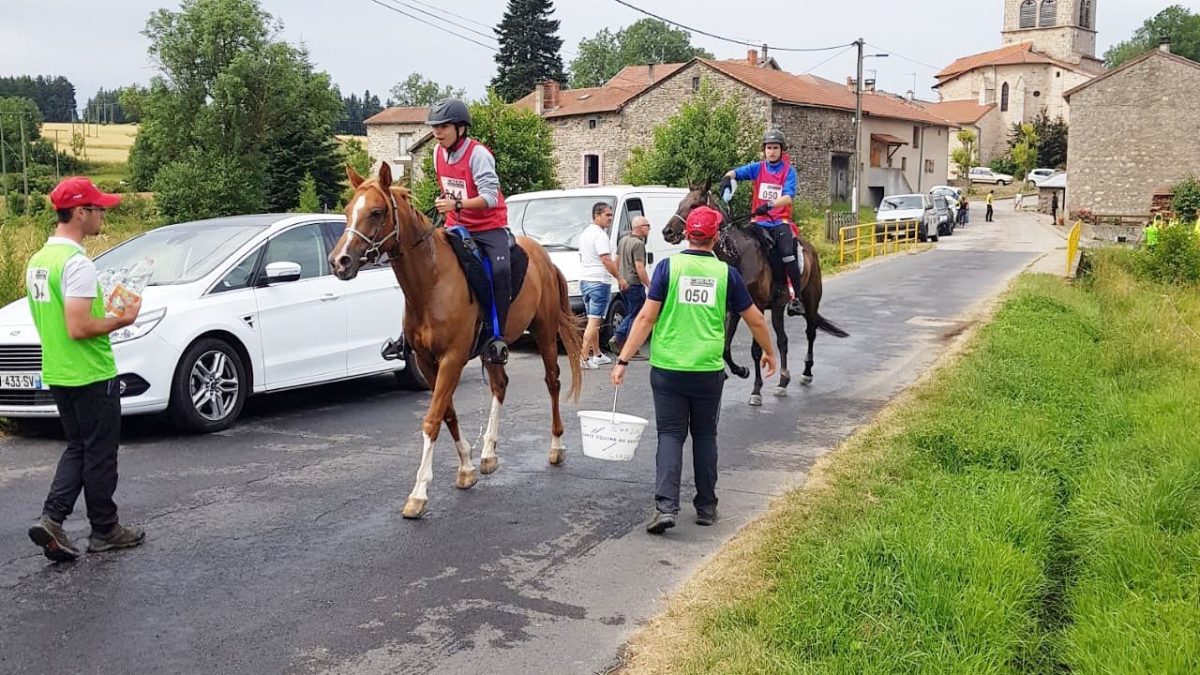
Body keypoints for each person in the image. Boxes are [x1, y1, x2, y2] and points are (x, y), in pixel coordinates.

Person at [611, 206, 777, 534]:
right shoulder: (726, 275)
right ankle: (706, 506)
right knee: (704, 436)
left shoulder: (668, 269)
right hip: (707, 370)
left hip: (668, 368)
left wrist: (623, 360)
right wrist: (770, 353)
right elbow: (755, 317)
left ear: (687, 235)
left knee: (670, 435)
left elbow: (646, 318)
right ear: (715, 238)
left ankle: (665, 507)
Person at [25, 177, 146, 562]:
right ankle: (105, 529)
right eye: (98, 208)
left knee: (79, 446)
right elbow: (78, 327)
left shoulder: (40, 260)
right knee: (101, 454)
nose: (103, 214)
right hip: (91, 371)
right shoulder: (77, 263)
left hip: (59, 370)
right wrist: (121, 320)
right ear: (80, 213)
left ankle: (52, 518)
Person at [427, 98, 512, 365]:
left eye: (443, 127)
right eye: (435, 127)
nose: (437, 132)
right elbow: (449, 187)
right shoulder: (437, 153)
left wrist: (457, 203)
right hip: (455, 225)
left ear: (460, 128)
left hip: (489, 227)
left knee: (500, 270)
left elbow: (489, 197)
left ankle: (497, 334)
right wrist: (447, 205)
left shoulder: (478, 155)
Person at [719, 129, 805, 316]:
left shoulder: (788, 172)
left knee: (787, 254)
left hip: (779, 221)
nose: (771, 151)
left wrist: (771, 204)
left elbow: (788, 197)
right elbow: (735, 173)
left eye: (775, 147)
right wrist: (727, 178)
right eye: (768, 148)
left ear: (782, 150)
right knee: (739, 247)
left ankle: (796, 298)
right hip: (758, 222)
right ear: (764, 150)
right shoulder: (757, 168)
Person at [578, 202, 627, 369]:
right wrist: (619, 278)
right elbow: (606, 260)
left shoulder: (585, 234)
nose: (610, 218)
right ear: (596, 215)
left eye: (611, 215)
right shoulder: (600, 236)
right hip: (599, 281)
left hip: (585, 280)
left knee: (593, 319)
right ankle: (584, 356)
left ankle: (597, 353)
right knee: (594, 321)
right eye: (607, 215)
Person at [609, 216, 651, 359]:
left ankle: (618, 337)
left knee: (632, 313)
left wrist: (619, 279)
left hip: (624, 284)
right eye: (647, 225)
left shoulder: (624, 241)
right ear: (639, 227)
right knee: (637, 316)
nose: (649, 229)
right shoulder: (638, 244)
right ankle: (630, 348)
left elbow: (616, 262)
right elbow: (639, 267)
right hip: (634, 284)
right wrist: (649, 284)